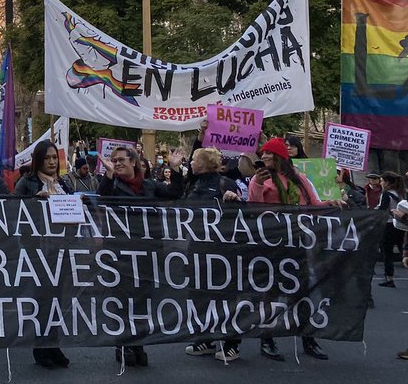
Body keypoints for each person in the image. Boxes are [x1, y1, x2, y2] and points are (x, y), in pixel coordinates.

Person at [96, 145, 184, 367]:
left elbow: (175, 193)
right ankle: (123, 344)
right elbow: (102, 199)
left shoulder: (150, 186)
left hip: (148, 254)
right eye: (114, 160)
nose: (117, 163)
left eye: (121, 160)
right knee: (123, 302)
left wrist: (175, 169)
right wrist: (108, 175)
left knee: (143, 302)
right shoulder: (112, 185)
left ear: (133, 162)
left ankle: (138, 343)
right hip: (121, 254)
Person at [248, 137, 327, 361]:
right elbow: (254, 209)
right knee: (270, 292)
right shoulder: (260, 179)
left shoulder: (299, 179)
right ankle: (267, 339)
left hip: (297, 241)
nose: (264, 156)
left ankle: (308, 338)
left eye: (268, 153)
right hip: (272, 242)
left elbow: (314, 204)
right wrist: (258, 185)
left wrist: (332, 204)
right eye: (263, 153)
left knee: (302, 290)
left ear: (280, 156)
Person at [12, 141, 72, 368]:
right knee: (43, 299)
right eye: (47, 158)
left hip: (61, 250)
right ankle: (41, 348)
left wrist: (80, 203)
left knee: (57, 299)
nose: (52, 162)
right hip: (38, 250)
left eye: (54, 157)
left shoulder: (63, 184)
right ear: (39, 160)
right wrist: (33, 202)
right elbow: (12, 210)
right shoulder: (26, 183)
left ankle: (53, 344)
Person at [180, 147, 243, 363]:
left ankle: (231, 343)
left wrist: (234, 200)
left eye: (195, 159)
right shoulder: (193, 183)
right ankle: (204, 339)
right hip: (197, 247)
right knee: (199, 295)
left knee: (226, 296)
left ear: (205, 163)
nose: (191, 163)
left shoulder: (225, 183)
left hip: (222, 249)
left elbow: (241, 214)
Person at [376, 172, 406, 287]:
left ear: (387, 182)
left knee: (387, 252)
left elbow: (382, 210)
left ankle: (389, 279)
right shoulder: (401, 193)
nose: (380, 183)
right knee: (403, 250)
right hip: (401, 225)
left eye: (382, 181)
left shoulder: (386, 194)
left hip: (388, 225)